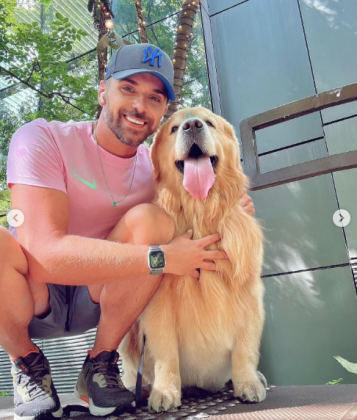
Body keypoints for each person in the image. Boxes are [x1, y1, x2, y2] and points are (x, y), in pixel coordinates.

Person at [0, 43, 256, 419]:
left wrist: (235, 205)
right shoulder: (41, 139)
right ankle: (26, 363)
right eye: (128, 89)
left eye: (154, 97)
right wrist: (165, 259)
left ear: (163, 111)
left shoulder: (158, 169)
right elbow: (44, 255)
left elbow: (207, 201)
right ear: (103, 90)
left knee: (153, 220)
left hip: (101, 295)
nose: (140, 106)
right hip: (29, 295)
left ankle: (100, 364)